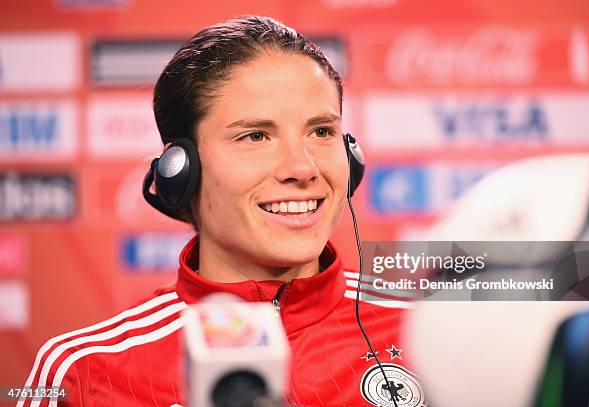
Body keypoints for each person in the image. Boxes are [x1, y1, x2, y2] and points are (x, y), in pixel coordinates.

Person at [21, 16, 426, 407]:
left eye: (321, 131)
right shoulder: (84, 371)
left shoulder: (432, 335)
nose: (302, 168)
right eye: (256, 136)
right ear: (179, 170)